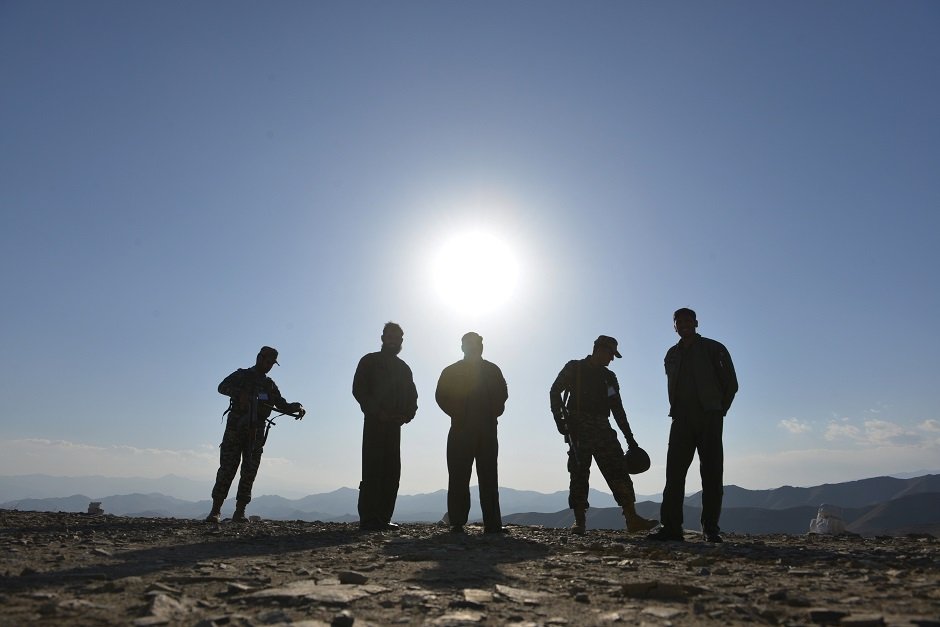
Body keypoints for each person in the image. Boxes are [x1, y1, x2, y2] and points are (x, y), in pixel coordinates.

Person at [550, 335, 658, 535]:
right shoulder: (574, 368)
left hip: (602, 428)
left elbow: (617, 408)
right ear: (599, 349)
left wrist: (630, 439)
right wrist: (561, 421)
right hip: (578, 428)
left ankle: (632, 518)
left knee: (618, 471)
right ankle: (579, 522)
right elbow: (555, 391)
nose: (612, 358)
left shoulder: (609, 377)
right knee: (579, 473)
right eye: (610, 353)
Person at [649, 308, 738, 543]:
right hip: (681, 419)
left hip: (709, 417)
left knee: (711, 473)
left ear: (696, 323)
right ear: (675, 327)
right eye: (679, 322)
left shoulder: (714, 348)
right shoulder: (671, 354)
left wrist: (718, 410)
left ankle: (710, 529)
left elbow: (731, 384)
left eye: (688, 320)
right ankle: (671, 528)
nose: (684, 324)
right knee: (674, 474)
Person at [206, 346, 305, 523]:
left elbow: (281, 404)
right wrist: (239, 394)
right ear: (259, 358)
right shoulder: (241, 375)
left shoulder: (269, 385)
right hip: (235, 430)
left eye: (272, 363)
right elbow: (222, 387)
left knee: (249, 471)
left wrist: (296, 407)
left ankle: (240, 511)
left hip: (256, 433)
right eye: (267, 361)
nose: (269, 366)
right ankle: (215, 510)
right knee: (227, 469)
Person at [436, 332, 509, 534]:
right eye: (468, 344)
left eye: (477, 343)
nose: (473, 346)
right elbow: (441, 395)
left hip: (487, 429)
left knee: (489, 475)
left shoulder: (492, 370)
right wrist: (458, 413)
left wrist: (496, 409)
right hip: (461, 429)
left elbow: (503, 392)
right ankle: (457, 522)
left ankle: (493, 523)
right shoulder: (451, 371)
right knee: (459, 474)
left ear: (482, 346)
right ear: (462, 347)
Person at [352, 322, 418, 531]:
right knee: (372, 470)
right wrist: (376, 411)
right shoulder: (369, 361)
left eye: (397, 338)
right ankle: (369, 518)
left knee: (391, 472)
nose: (393, 341)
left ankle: (383, 517)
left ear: (401, 341)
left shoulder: (403, 368)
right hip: (374, 423)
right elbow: (359, 390)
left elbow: (412, 396)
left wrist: (407, 415)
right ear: (383, 338)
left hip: (394, 426)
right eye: (390, 337)